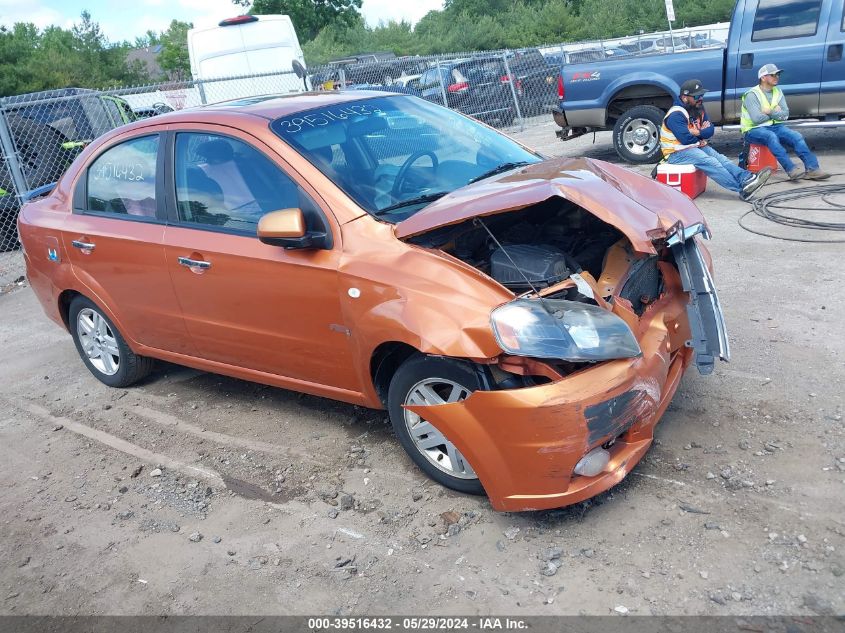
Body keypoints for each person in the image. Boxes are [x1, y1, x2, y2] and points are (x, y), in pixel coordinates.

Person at [661, 79, 770, 201]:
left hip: (691, 146)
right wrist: (699, 136)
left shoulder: (698, 108)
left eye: (702, 95)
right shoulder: (676, 114)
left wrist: (697, 133)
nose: (700, 98)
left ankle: (747, 178)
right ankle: (743, 189)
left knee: (720, 158)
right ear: (685, 98)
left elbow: (710, 130)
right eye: (697, 96)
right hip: (675, 153)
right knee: (711, 162)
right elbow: (685, 138)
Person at [741, 64, 829, 180]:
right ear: (763, 78)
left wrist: (770, 112)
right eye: (773, 75)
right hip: (752, 130)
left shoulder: (777, 92)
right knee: (770, 136)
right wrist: (776, 113)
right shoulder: (752, 95)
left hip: (775, 126)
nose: (776, 77)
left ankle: (813, 169)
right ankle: (791, 169)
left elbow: (785, 115)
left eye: (778, 74)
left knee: (796, 136)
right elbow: (756, 119)